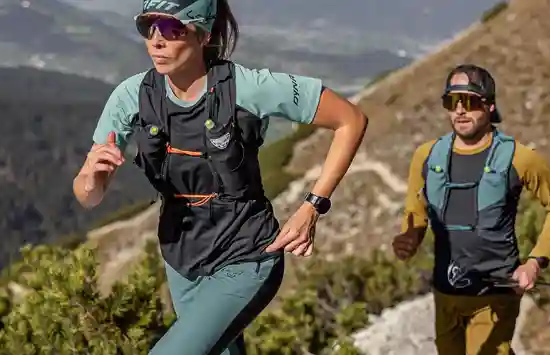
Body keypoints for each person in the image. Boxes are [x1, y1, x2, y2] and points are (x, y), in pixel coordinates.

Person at [71, 0, 368, 353]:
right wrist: (92, 177)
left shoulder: (247, 87)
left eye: (171, 28)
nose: (156, 40)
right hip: (182, 261)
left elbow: (350, 119)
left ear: (204, 34)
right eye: (147, 28)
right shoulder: (130, 97)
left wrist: (312, 207)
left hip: (245, 253)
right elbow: (88, 196)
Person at [391, 64, 550, 355]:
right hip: (446, 293)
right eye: (452, 102)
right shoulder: (426, 156)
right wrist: (408, 238)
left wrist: (535, 262)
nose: (460, 110)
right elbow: (416, 212)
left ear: (489, 105)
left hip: (496, 293)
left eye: (471, 101)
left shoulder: (520, 158)